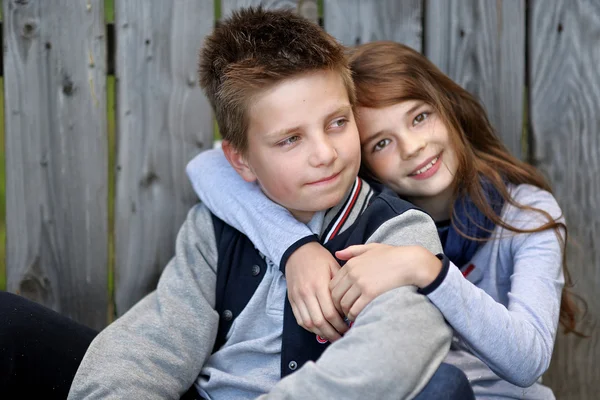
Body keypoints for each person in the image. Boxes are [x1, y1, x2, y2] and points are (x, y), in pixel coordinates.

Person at [0, 9, 474, 400]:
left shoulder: (394, 230)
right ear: (241, 161)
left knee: (442, 387)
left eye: (336, 122)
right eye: (290, 139)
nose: (325, 153)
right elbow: (157, 340)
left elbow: (401, 344)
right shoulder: (214, 229)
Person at [186, 40, 581, 399]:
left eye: (420, 117)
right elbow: (209, 166)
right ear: (363, 154)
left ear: (448, 108)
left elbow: (528, 359)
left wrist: (426, 268)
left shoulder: (526, 213)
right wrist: (296, 249)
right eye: (382, 143)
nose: (413, 147)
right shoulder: (366, 210)